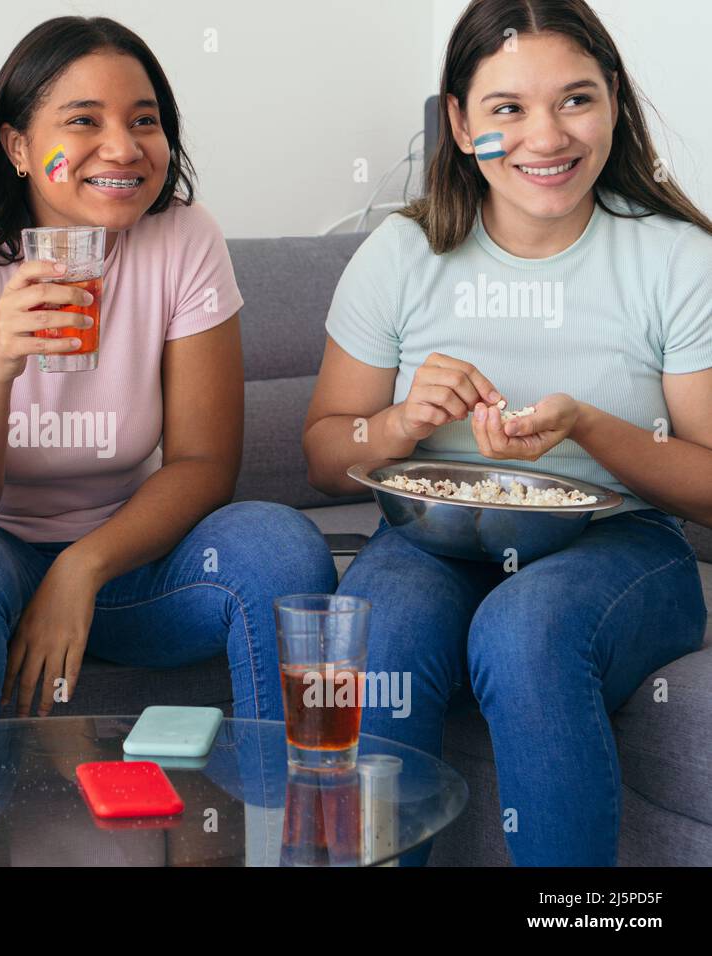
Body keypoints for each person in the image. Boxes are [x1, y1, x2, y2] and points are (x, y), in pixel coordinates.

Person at [303, 0, 712, 865]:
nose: (547, 137)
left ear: (614, 104)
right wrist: (397, 421)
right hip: (433, 537)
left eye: (576, 99)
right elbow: (327, 455)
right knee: (381, 631)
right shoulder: (402, 253)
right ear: (458, 122)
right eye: (507, 109)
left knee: (525, 632)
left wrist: (594, 427)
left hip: (623, 543)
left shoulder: (676, 258)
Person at [0, 16, 336, 730]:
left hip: (128, 560)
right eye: (83, 120)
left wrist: (81, 569)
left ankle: (287, 827)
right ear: (18, 145)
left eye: (144, 120)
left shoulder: (183, 235)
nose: (123, 147)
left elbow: (206, 463)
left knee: (279, 545)